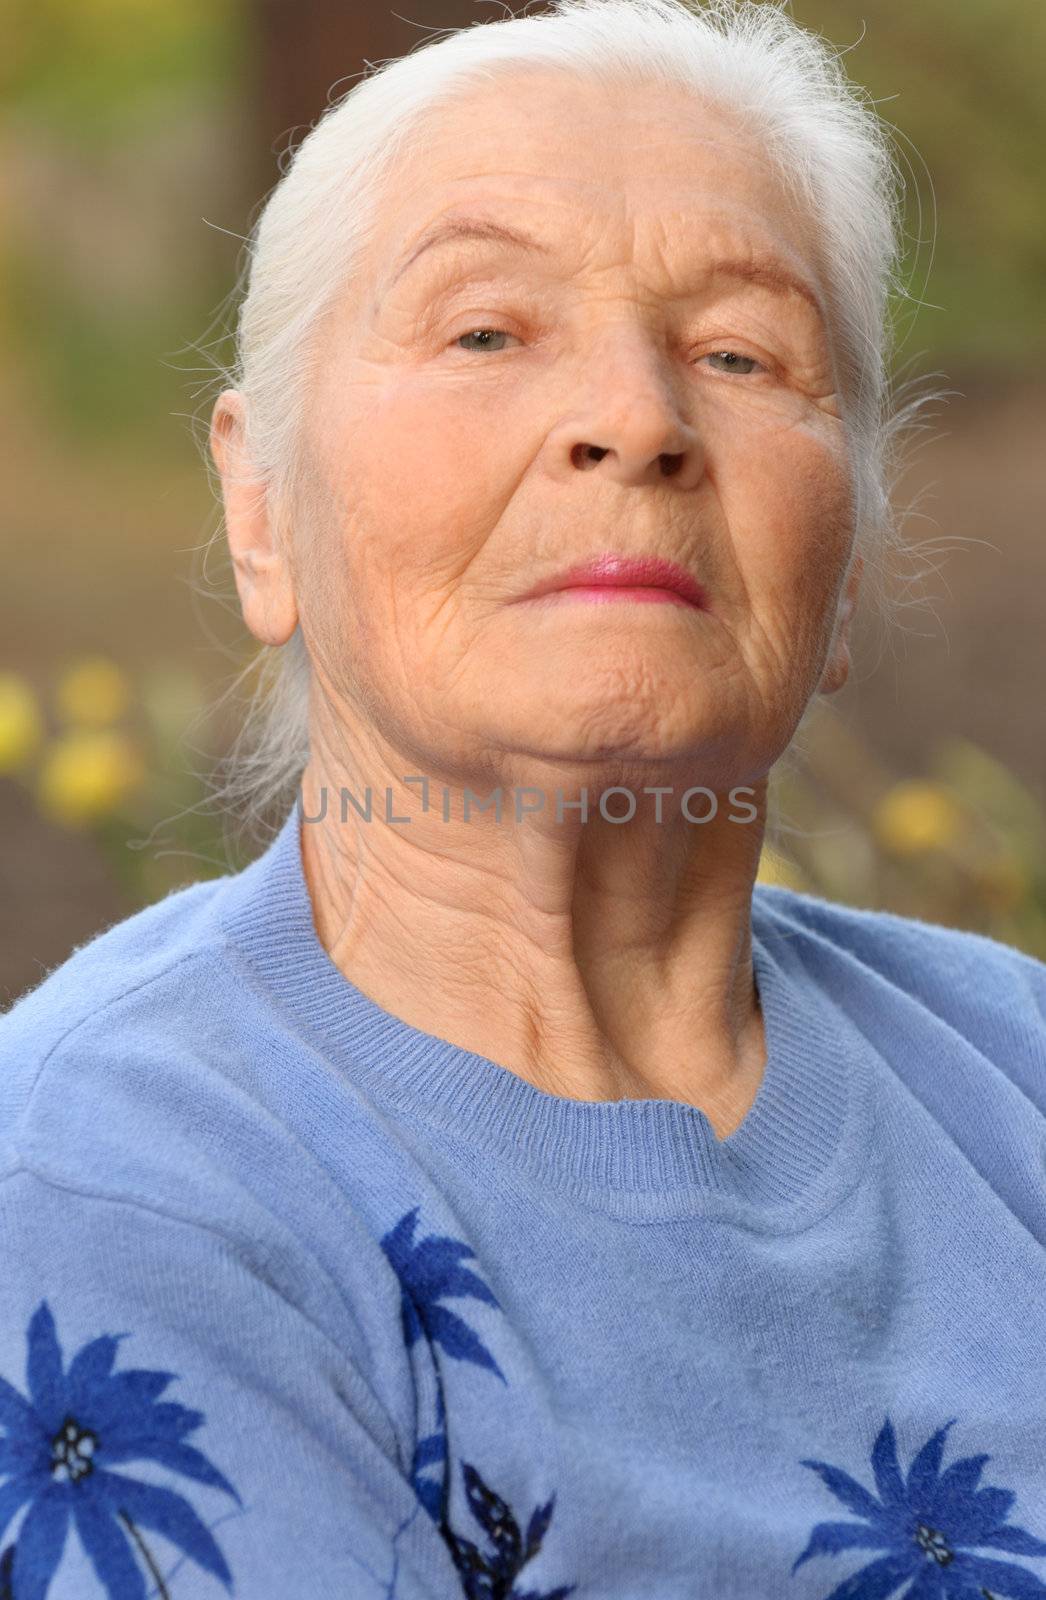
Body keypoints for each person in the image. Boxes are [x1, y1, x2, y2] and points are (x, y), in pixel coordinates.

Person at [3, 0, 1046, 1594]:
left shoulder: (1010, 1072)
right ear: (261, 507)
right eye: (485, 330)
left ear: (845, 568)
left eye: (739, 353)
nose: (634, 417)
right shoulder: (105, 1185)